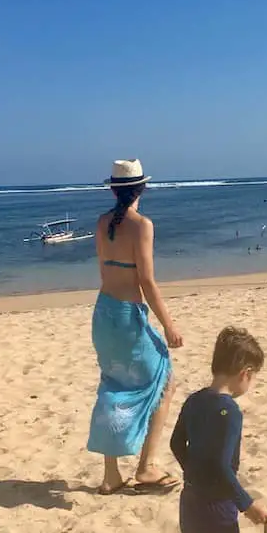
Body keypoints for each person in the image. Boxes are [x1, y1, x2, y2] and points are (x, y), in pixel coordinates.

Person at [152, 326, 267, 533]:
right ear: (245, 373)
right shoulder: (229, 411)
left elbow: (177, 442)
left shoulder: (194, 400)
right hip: (217, 505)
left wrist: (193, 472)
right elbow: (221, 466)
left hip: (191, 496)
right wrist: (247, 504)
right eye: (254, 376)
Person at [87, 159, 184, 496]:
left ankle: (111, 475)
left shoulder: (102, 223)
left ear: (114, 189)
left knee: (113, 384)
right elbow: (146, 280)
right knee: (165, 379)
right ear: (142, 189)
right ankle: (146, 467)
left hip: (104, 313)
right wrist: (168, 327)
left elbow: (103, 272)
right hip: (127, 316)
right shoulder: (142, 225)